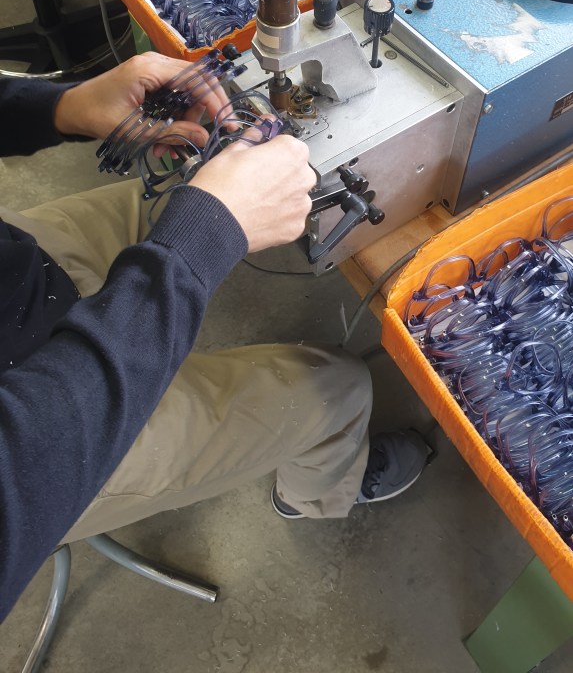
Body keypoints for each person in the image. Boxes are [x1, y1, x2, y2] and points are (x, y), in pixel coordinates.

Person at [0, 53, 427, 622]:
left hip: (22, 266)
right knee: (341, 388)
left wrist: (58, 106)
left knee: (169, 199)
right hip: (45, 438)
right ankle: (314, 492)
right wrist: (200, 242)